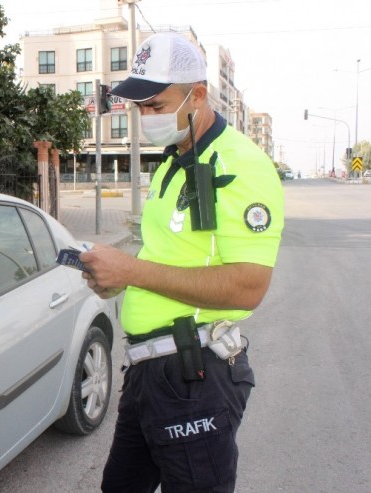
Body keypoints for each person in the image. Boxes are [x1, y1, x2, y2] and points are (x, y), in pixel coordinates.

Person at [79, 32, 284, 492]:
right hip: (149, 372)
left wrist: (131, 272)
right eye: (139, 109)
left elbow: (247, 286)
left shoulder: (240, 164)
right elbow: (170, 255)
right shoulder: (176, 159)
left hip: (195, 375)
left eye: (156, 105)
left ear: (198, 95)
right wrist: (119, 280)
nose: (146, 118)